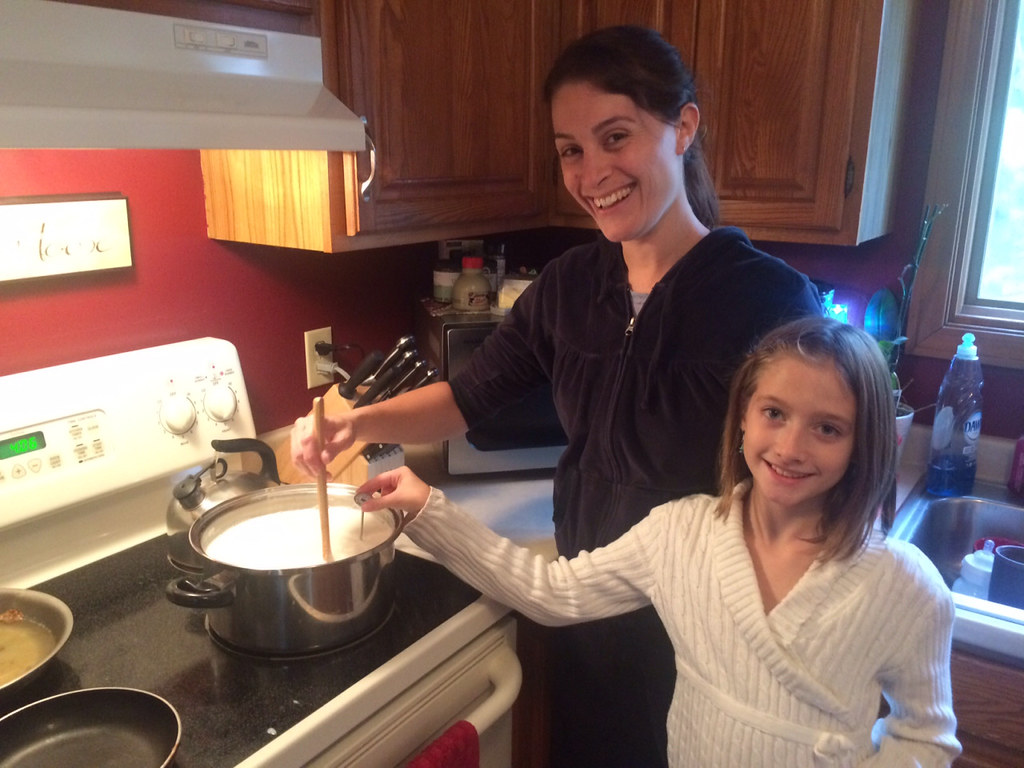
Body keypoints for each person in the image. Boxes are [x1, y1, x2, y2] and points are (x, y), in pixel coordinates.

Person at [292, 25, 823, 766]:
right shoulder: (571, 285)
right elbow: (469, 396)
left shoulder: (768, 300)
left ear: (684, 128)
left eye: (616, 137)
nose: (591, 171)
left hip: (706, 642)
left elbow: (815, 490)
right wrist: (357, 421)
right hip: (580, 613)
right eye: (571, 150)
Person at [356, 317, 961, 767]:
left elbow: (926, 735)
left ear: (865, 442)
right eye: (774, 413)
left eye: (827, 428)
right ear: (743, 416)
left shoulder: (903, 585)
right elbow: (552, 592)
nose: (792, 445)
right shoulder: (681, 534)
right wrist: (427, 508)